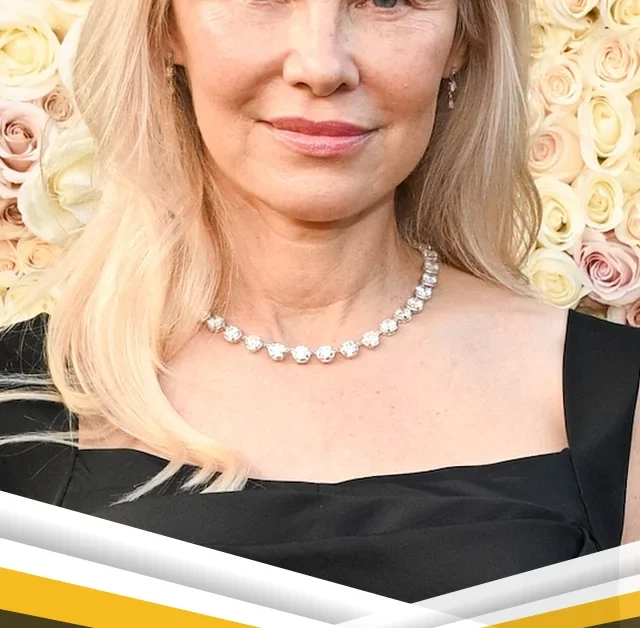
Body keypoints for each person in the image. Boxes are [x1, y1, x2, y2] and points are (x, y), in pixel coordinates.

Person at [1, 0, 639, 605]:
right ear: (167, 27)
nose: (321, 64)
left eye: (386, 0)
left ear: (460, 41)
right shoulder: (20, 392)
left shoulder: (618, 393)